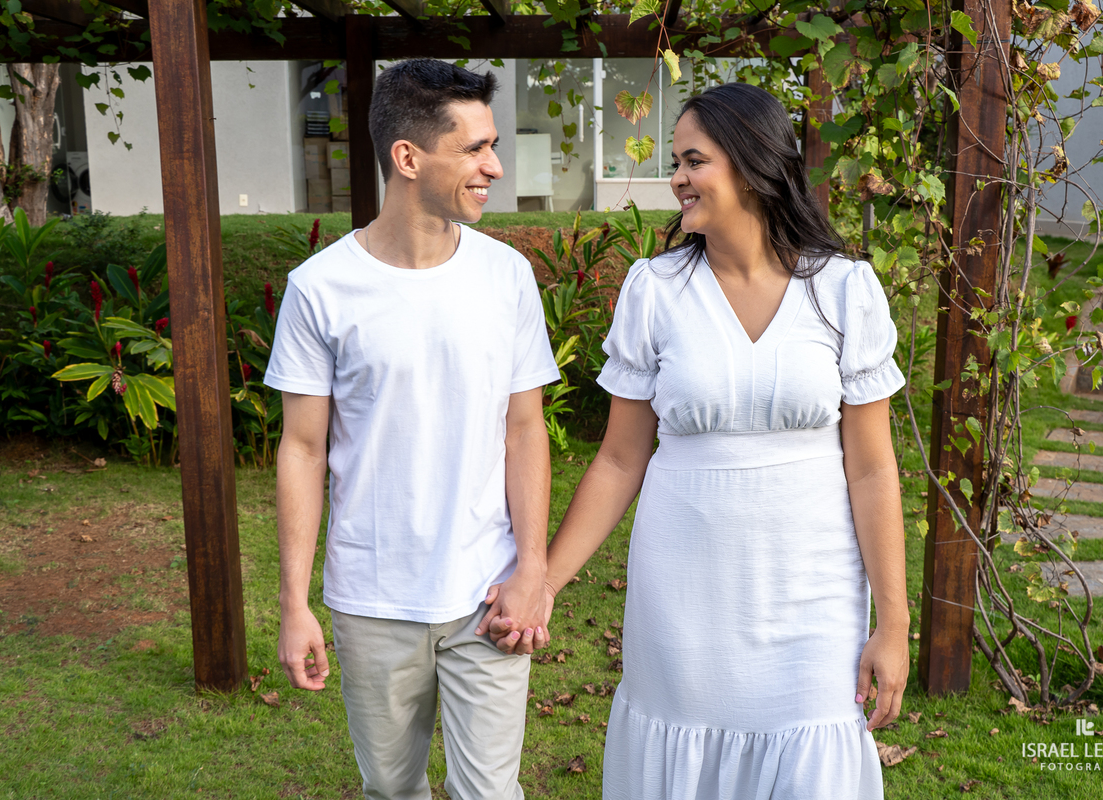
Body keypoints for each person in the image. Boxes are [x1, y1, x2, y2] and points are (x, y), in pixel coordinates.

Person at [531, 82, 910, 798]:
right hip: (684, 599)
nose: (677, 178)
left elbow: (871, 470)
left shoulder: (844, 291)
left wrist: (894, 624)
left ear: (752, 162)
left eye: (693, 160)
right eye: (676, 161)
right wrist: (545, 584)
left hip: (815, 596)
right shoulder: (655, 289)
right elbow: (617, 459)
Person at [265, 59, 560, 800]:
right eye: (474, 149)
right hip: (372, 596)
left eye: (491, 146)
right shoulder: (319, 290)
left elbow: (525, 431)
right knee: (392, 790)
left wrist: (533, 570)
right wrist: (294, 605)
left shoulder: (507, 276)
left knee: (491, 793)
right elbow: (301, 448)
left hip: (486, 590)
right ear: (408, 157)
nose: (493, 165)